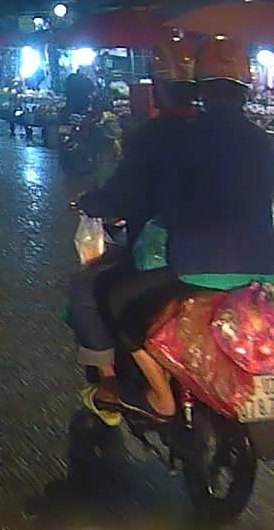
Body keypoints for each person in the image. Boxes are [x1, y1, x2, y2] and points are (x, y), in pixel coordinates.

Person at [101, 36, 274, 421]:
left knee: (121, 307)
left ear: (200, 91)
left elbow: (169, 206)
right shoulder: (264, 142)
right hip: (264, 270)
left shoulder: (183, 138)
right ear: (246, 91)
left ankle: (161, 397)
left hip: (197, 268)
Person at [68, 38, 198, 423]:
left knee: (89, 287)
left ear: (157, 90)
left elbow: (122, 192)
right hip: (227, 255)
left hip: (168, 255)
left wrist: (95, 204)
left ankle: (110, 384)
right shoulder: (216, 134)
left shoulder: (152, 136)